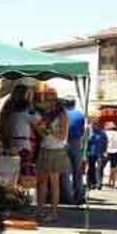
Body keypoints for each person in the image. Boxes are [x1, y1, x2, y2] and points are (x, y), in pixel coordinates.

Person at [34, 91, 70, 222]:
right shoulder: (47, 115)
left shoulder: (62, 115)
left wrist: (47, 130)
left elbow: (63, 135)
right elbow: (40, 131)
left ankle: (54, 212)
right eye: (46, 101)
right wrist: (40, 129)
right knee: (42, 181)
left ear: (55, 102)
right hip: (45, 148)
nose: (47, 104)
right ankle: (40, 210)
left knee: (54, 182)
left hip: (57, 150)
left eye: (49, 101)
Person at [5, 86, 40, 180]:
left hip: (12, 143)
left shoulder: (11, 116)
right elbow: (39, 121)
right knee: (25, 168)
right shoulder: (27, 115)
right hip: (24, 145)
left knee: (14, 169)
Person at [62, 97, 86, 204]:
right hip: (76, 142)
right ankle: (79, 194)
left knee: (65, 171)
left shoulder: (62, 114)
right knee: (77, 170)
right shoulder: (80, 115)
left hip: (63, 141)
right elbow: (82, 130)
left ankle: (67, 196)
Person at [86, 119, 108, 190]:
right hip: (90, 153)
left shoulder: (102, 133)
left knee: (99, 168)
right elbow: (85, 142)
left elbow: (105, 142)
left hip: (99, 153)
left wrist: (105, 151)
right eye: (93, 124)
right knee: (91, 168)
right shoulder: (88, 133)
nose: (94, 125)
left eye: (96, 124)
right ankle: (90, 183)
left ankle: (99, 183)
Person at [104, 121, 117, 189]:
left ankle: (106, 182)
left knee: (101, 167)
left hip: (107, 151)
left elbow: (105, 143)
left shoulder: (105, 133)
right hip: (116, 151)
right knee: (113, 168)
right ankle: (113, 183)